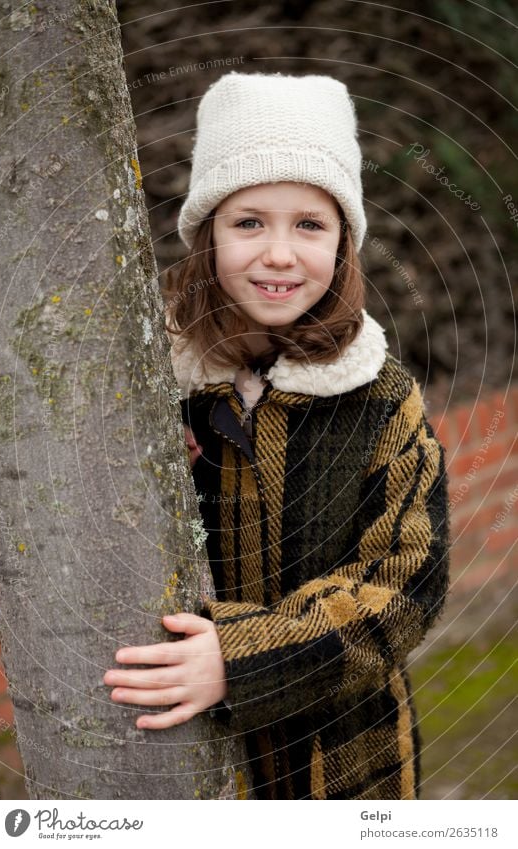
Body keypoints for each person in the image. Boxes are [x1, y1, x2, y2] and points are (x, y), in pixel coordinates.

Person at [104, 71, 450, 800]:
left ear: (344, 242)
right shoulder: (145, 384)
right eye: (249, 222)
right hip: (186, 757)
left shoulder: (379, 397)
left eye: (309, 224)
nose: (279, 254)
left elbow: (407, 581)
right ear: (206, 235)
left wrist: (244, 659)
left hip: (344, 758)